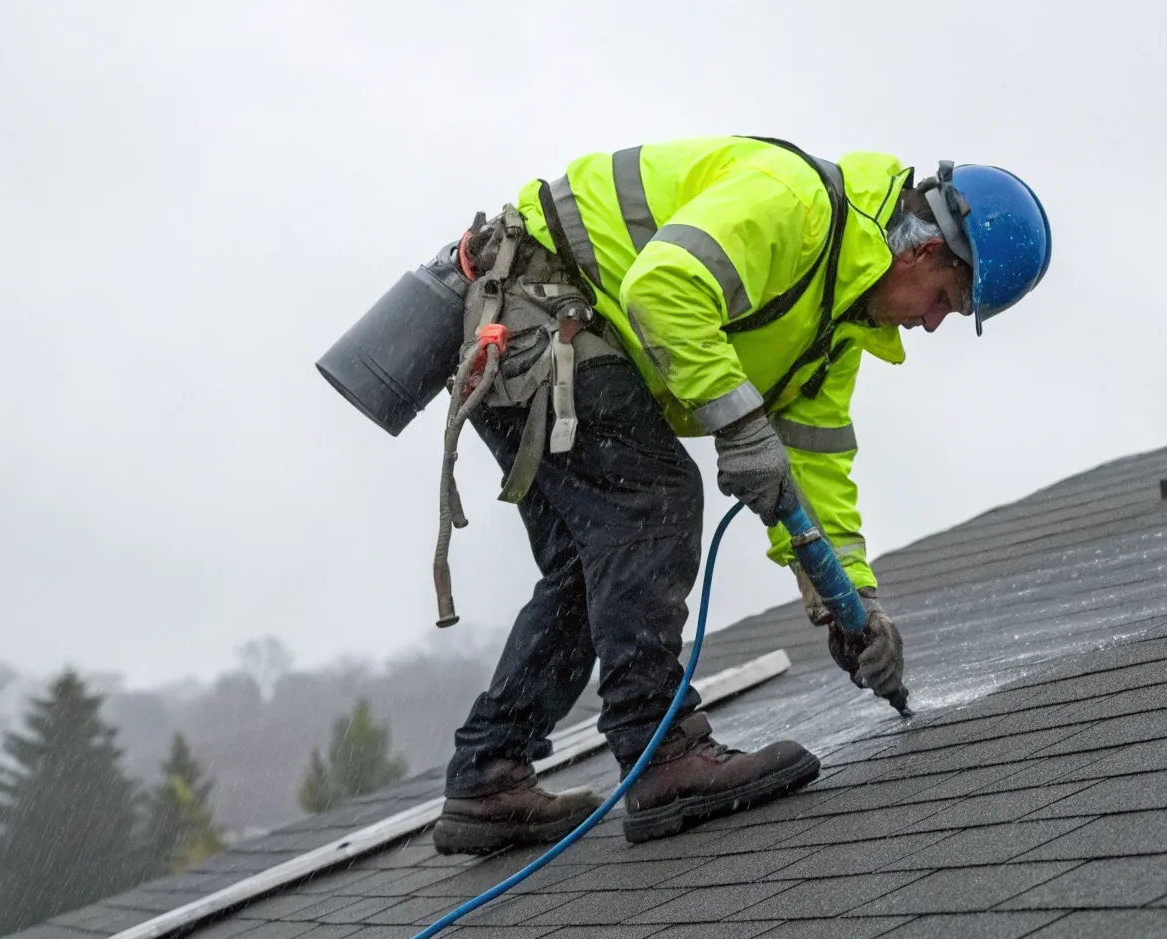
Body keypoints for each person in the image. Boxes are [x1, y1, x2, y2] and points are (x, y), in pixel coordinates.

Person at [432, 136, 1051, 851]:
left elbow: (813, 475)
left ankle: (488, 773)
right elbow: (661, 287)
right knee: (651, 503)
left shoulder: (837, 327)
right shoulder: (795, 207)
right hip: (536, 305)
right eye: (946, 298)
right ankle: (662, 755)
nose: (933, 322)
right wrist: (742, 426)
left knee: (594, 559)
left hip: (531, 327)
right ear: (922, 253)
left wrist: (853, 606)